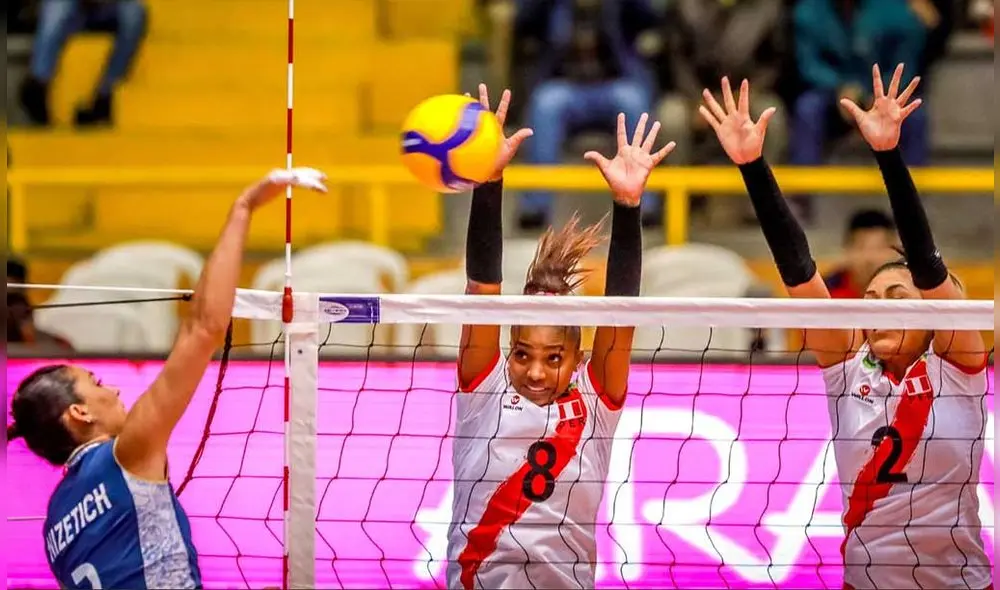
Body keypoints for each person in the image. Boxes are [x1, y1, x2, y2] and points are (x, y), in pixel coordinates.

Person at [699, 66, 992, 590]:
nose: (878, 309)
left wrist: (887, 155)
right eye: (871, 299)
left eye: (896, 300)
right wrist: (752, 167)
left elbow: (928, 266)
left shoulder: (959, 366)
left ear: (928, 314)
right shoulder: (846, 371)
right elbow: (800, 272)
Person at [6, 168, 328, 589]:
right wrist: (244, 207)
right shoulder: (127, 453)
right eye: (97, 382)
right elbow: (204, 327)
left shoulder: (54, 524)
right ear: (79, 412)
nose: (115, 388)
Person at [450, 84, 674, 589]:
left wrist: (628, 204)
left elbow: (622, 310)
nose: (534, 370)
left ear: (578, 359)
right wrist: (490, 181)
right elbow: (482, 287)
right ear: (507, 352)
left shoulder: (596, 400)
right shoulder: (483, 391)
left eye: (553, 358)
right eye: (522, 354)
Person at [19, 0, 148, 126]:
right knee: (57, 7)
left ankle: (104, 97)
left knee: (135, 14)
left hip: (111, 7)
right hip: (74, 8)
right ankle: (38, 85)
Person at [824, 209, 900, 298]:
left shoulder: (908, 293)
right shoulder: (826, 293)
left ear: (896, 251)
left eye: (880, 247)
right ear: (846, 250)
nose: (870, 258)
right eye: (861, 247)